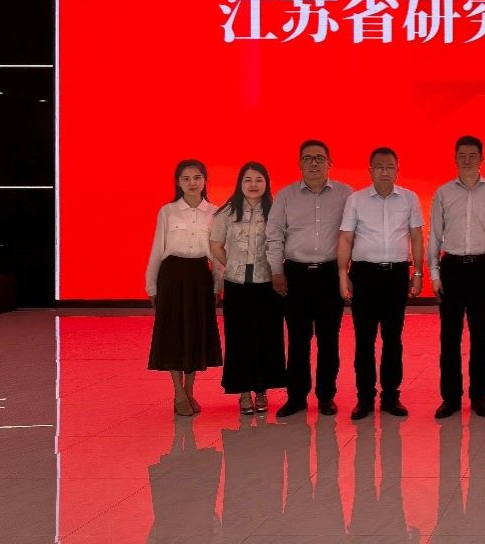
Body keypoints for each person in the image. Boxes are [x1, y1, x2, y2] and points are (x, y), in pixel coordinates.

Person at [266, 139, 352, 418]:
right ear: (299, 164)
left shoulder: (346, 195)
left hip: (330, 275)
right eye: (307, 158)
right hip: (296, 276)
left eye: (319, 158)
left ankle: (326, 396)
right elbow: (274, 234)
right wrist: (277, 271)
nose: (313, 163)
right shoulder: (286, 196)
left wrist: (347, 272)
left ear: (329, 163)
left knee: (329, 340)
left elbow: (355, 234)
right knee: (298, 340)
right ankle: (296, 397)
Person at [338, 146, 425, 420]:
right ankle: (364, 398)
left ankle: (390, 396)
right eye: (379, 167)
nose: (384, 172)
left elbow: (416, 237)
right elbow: (346, 238)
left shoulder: (409, 198)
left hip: (396, 275)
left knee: (392, 338)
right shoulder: (356, 200)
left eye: (389, 167)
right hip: (364, 275)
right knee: (364, 340)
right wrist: (343, 273)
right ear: (370, 170)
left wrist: (418, 273)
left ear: (397, 170)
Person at [428, 135, 485, 420]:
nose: (467, 160)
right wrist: (434, 273)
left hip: (483, 267)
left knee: (481, 336)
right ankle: (450, 398)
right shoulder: (443, 192)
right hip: (452, 268)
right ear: (455, 158)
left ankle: (479, 396)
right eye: (462, 155)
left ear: (482, 158)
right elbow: (434, 234)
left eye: (473, 155)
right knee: (450, 337)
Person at [146, 159, 222, 416]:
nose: (192, 183)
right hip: (172, 276)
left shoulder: (215, 212)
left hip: (200, 277)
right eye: (186, 178)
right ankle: (178, 393)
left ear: (205, 181)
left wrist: (217, 285)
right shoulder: (167, 211)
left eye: (197, 177)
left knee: (195, 334)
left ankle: (190, 390)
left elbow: (217, 252)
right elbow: (157, 249)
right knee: (173, 335)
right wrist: (151, 286)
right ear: (178, 183)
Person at [210, 161, 284, 415]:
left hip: (267, 285)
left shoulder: (276, 211)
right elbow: (216, 244)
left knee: (266, 338)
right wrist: (231, 264)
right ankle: (243, 392)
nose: (253, 185)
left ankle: (261, 390)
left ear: (266, 184)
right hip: (237, 285)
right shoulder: (227, 212)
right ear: (240, 184)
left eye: (259, 180)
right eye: (248, 180)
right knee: (239, 340)